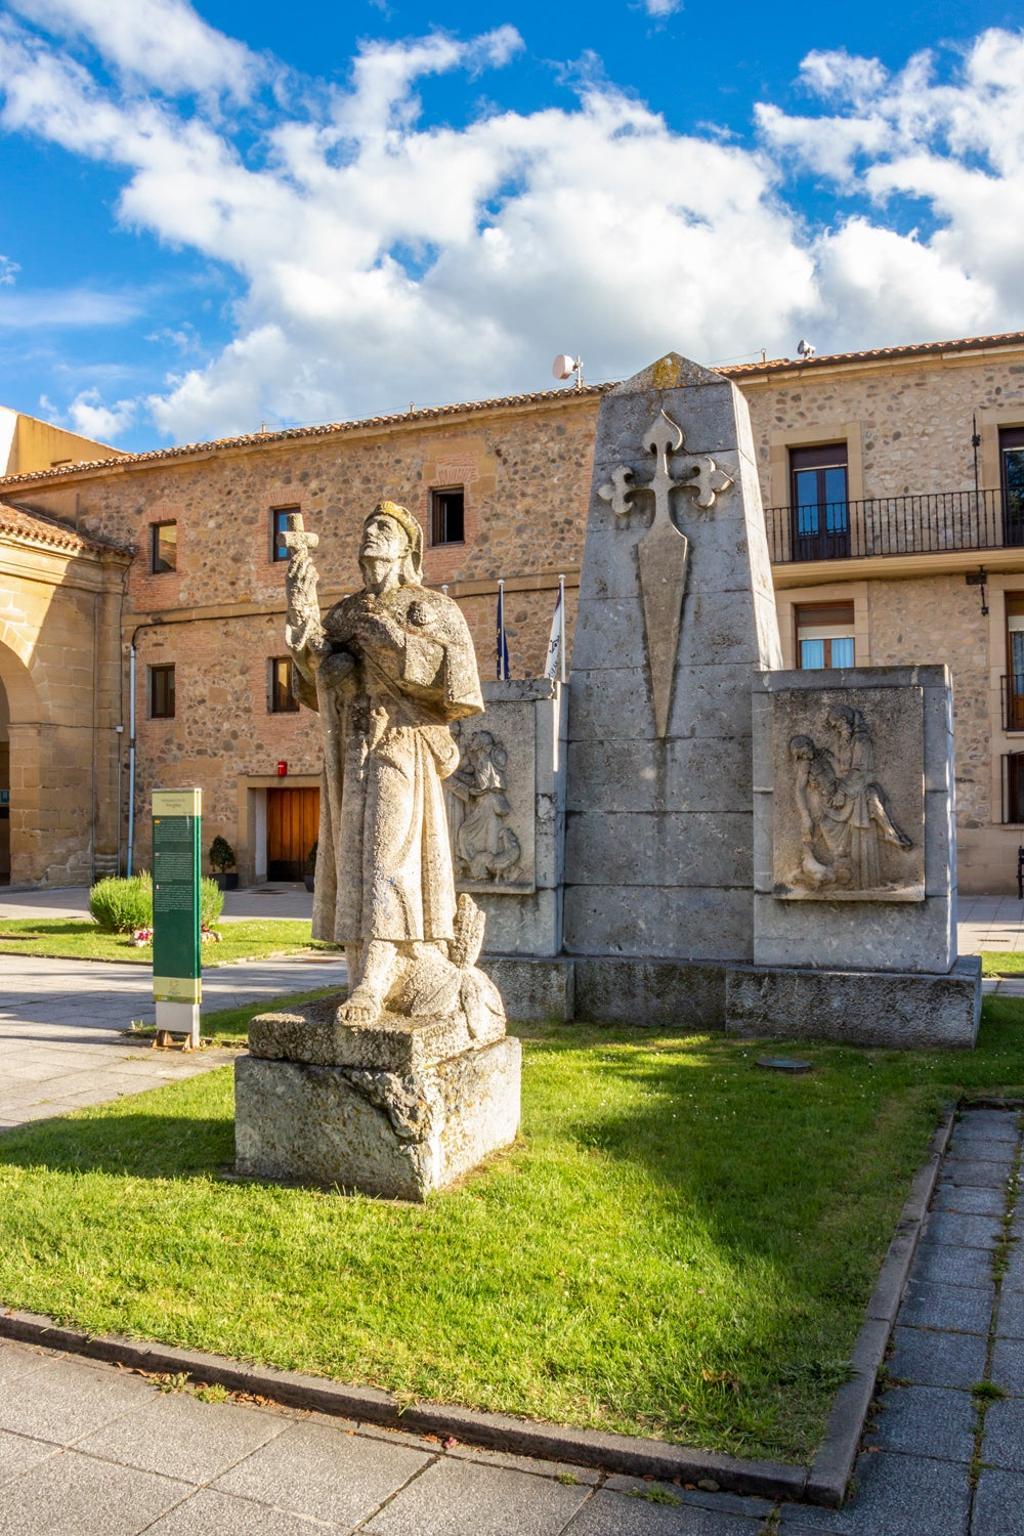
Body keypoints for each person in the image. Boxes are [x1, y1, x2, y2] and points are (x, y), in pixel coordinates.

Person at [286, 501, 484, 1026]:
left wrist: (389, 640)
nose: (370, 535)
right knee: (353, 858)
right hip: (353, 748)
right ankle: (363, 973)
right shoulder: (346, 611)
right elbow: (312, 682)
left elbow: (456, 680)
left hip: (402, 742)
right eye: (367, 527)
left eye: (383, 529)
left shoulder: (431, 606)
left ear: (406, 549)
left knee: (387, 857)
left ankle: (375, 982)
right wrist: (304, 626)